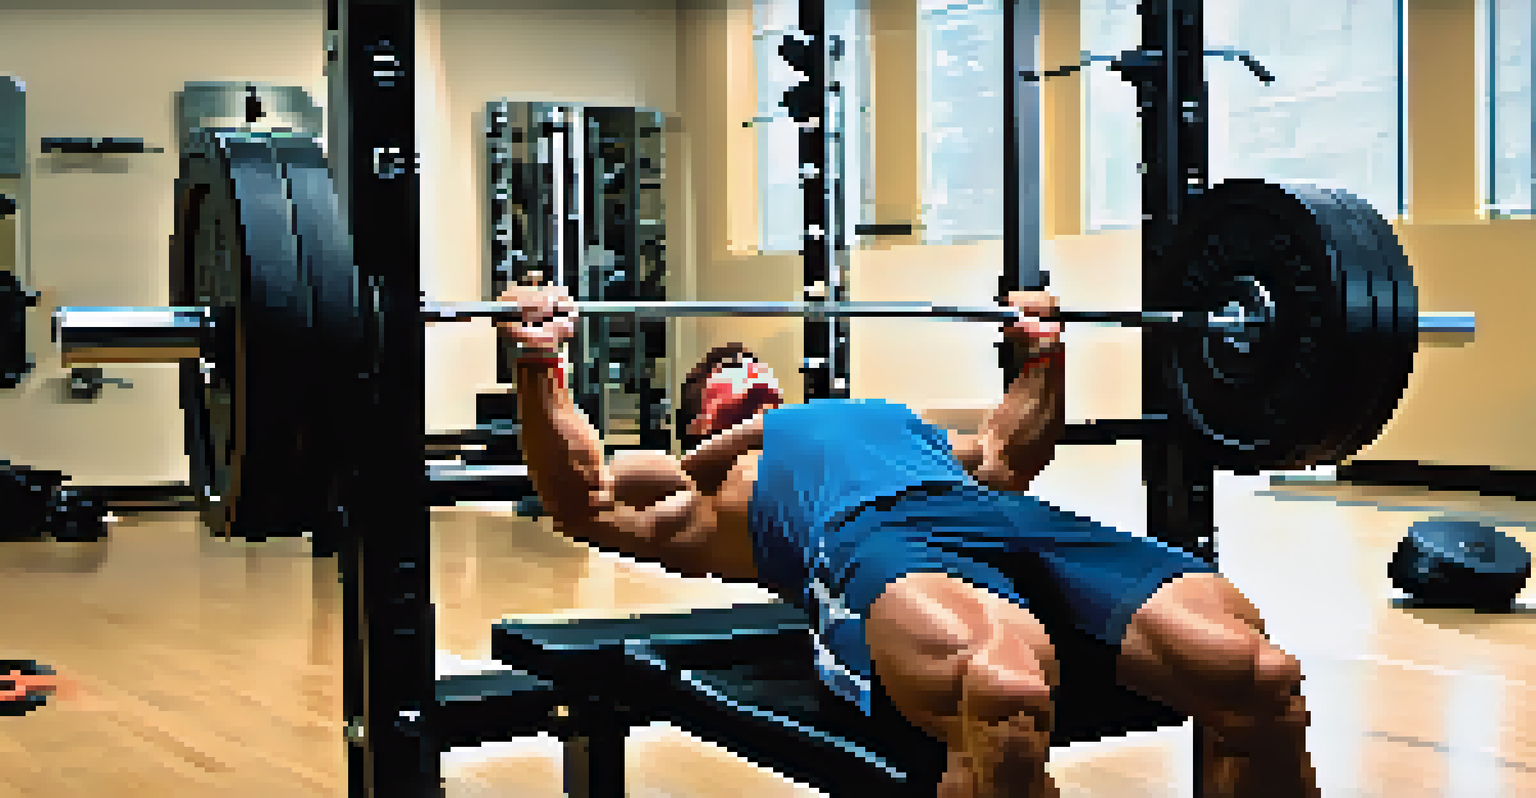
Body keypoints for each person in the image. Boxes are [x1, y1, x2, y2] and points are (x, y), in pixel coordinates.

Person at [499, 284, 1319, 798]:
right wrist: (540, 364)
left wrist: (1041, 357)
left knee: (1261, 680)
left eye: (755, 365)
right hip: (879, 545)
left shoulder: (887, 421)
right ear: (697, 422)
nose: (744, 367)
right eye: (724, 379)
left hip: (994, 516)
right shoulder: (712, 483)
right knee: (1003, 704)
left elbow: (1004, 455)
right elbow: (587, 498)